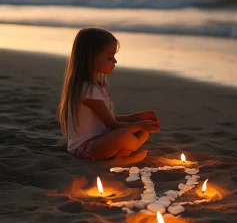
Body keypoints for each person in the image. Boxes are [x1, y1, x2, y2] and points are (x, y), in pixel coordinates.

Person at [57, 27, 160, 161]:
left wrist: (138, 117)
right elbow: (113, 124)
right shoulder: (87, 90)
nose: (115, 61)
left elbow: (110, 118)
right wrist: (140, 124)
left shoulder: (98, 85)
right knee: (123, 134)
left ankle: (124, 151)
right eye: (110, 57)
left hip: (102, 138)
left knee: (142, 131)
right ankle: (123, 156)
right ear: (91, 58)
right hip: (87, 146)